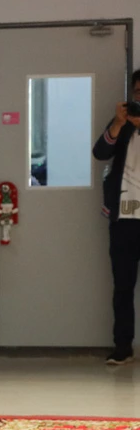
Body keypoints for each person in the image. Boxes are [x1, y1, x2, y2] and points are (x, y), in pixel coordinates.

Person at [92, 69, 140, 365]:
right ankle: (122, 346)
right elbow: (99, 153)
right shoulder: (121, 126)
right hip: (124, 217)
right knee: (122, 286)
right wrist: (119, 123)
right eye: (137, 92)